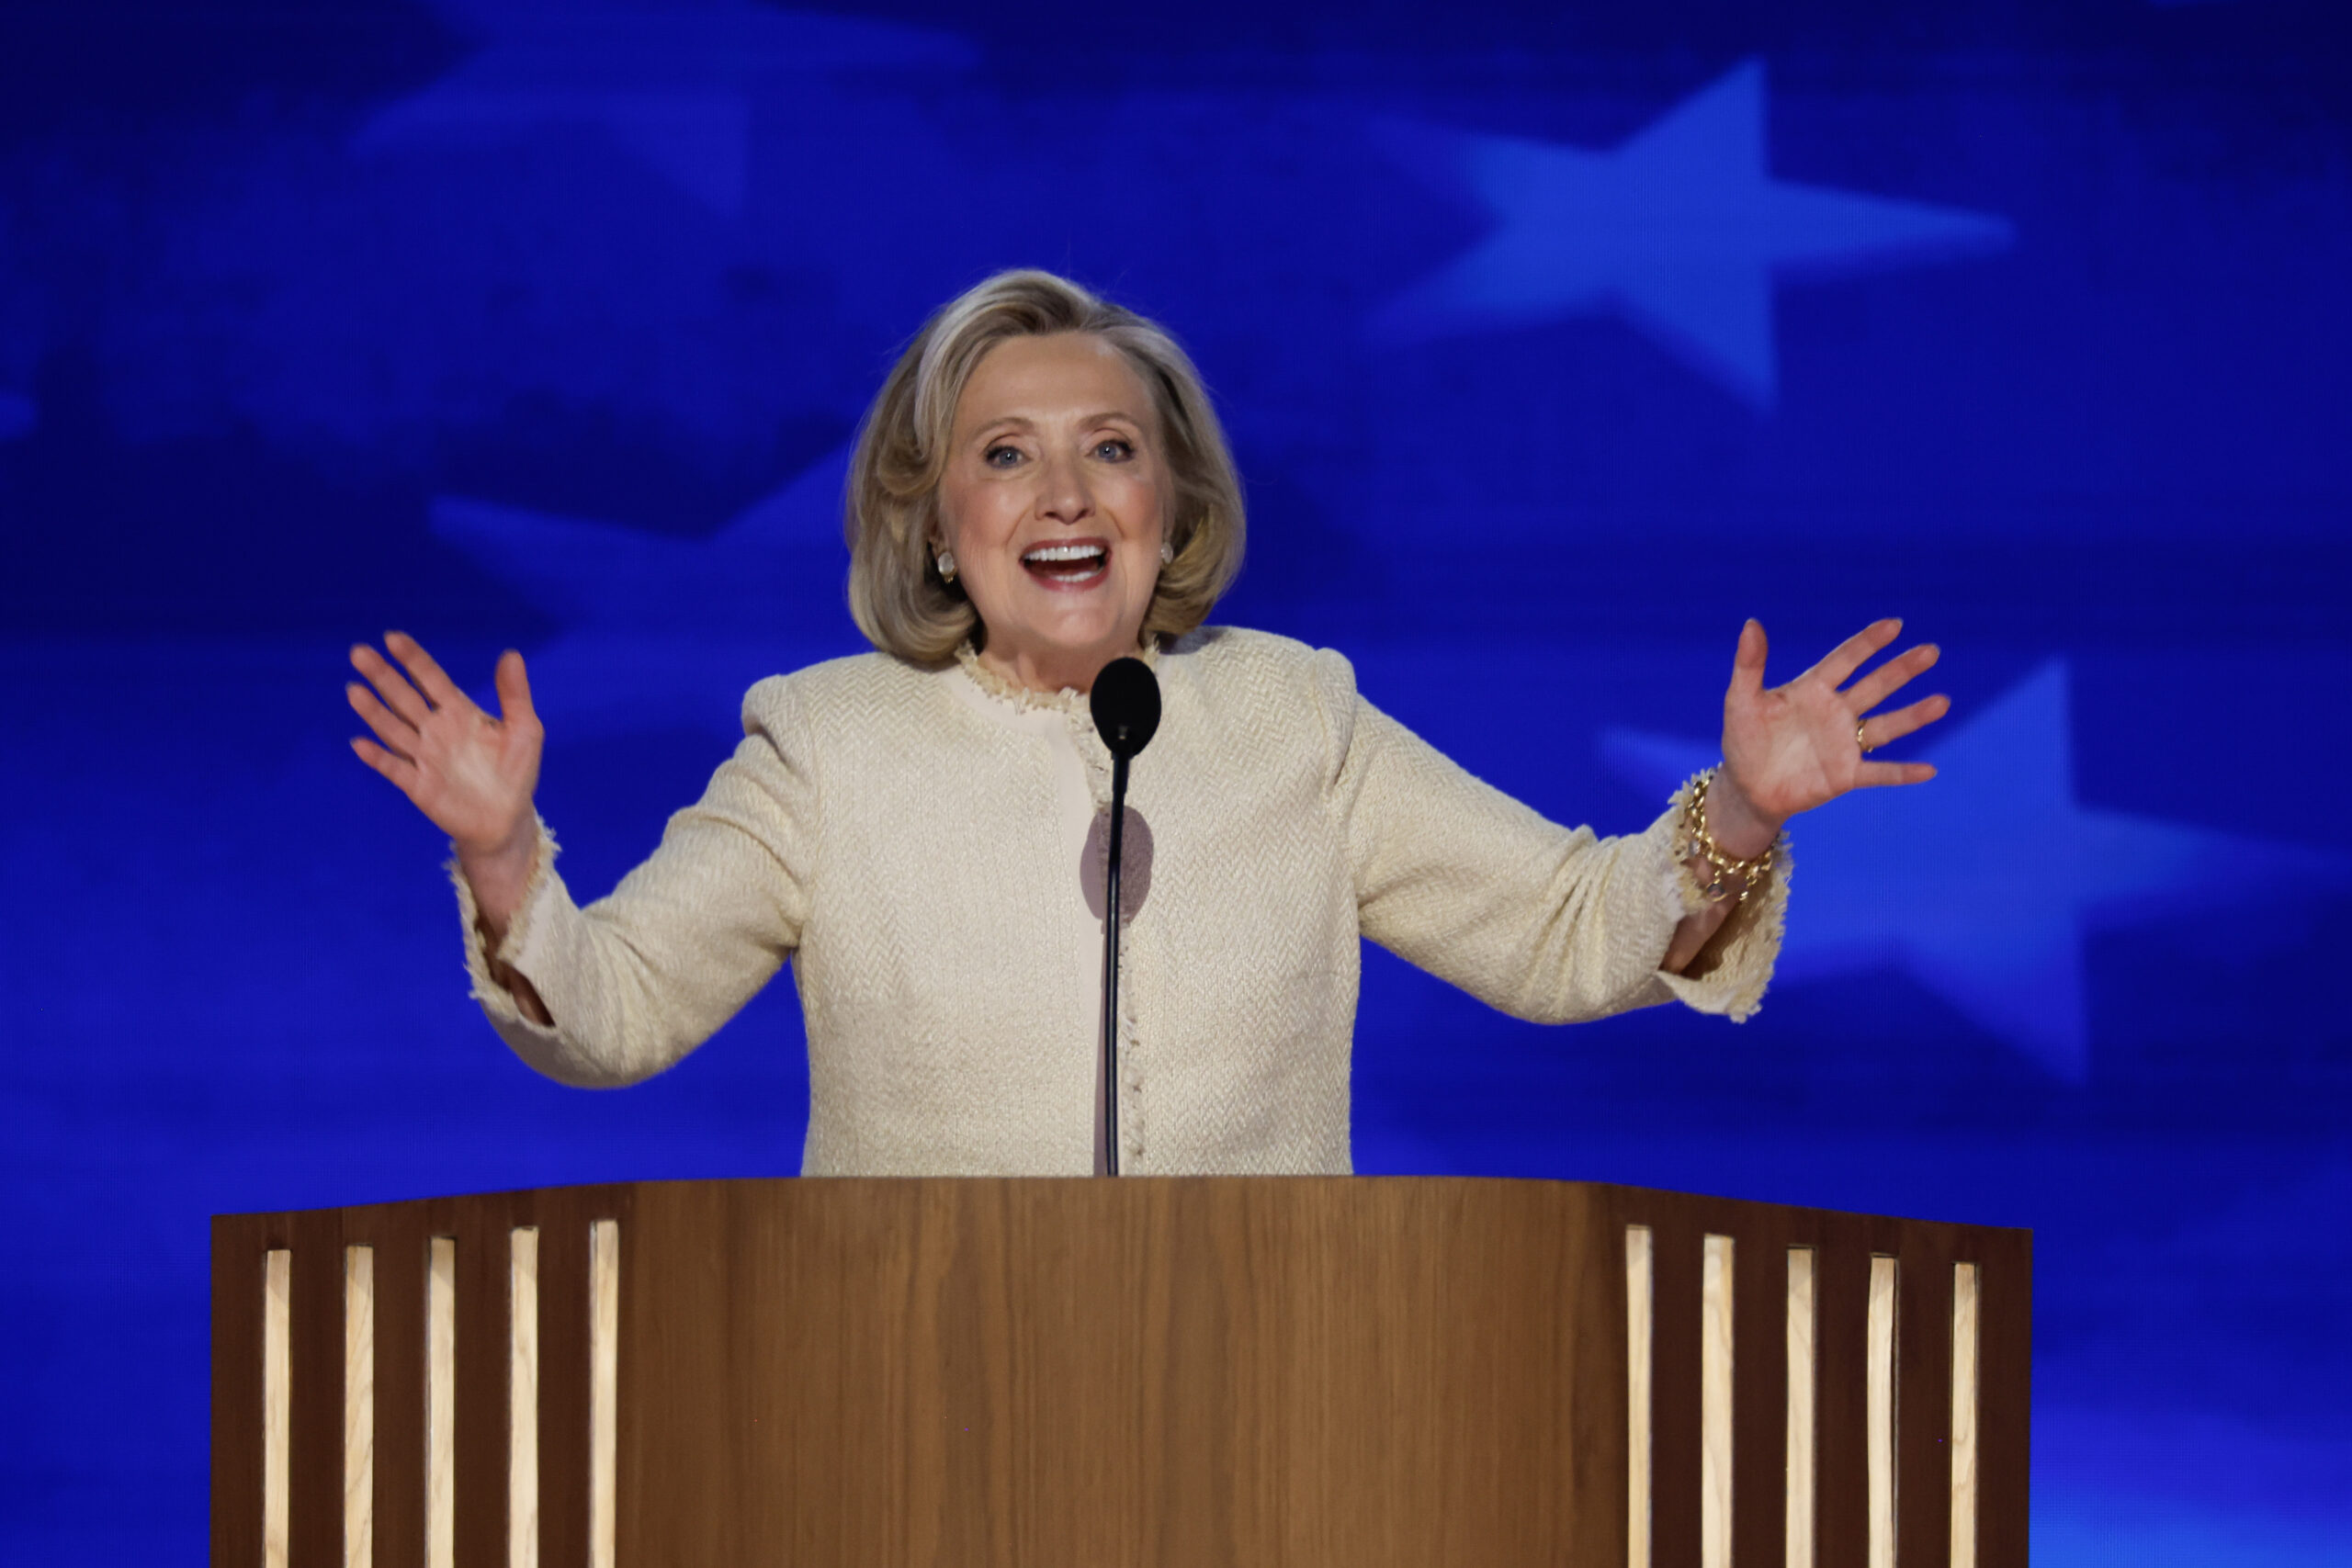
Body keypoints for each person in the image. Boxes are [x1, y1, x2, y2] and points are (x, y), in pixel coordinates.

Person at [345, 270, 1948, 1177]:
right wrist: (503, 857)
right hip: (912, 1410)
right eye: (1005, 455)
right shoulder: (825, 746)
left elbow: (1558, 929)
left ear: (1170, 504)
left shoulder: (1292, 717)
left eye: (1109, 448)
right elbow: (613, 1009)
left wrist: (1736, 815)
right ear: (929, 520)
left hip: (1262, 1407)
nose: (1063, 493)